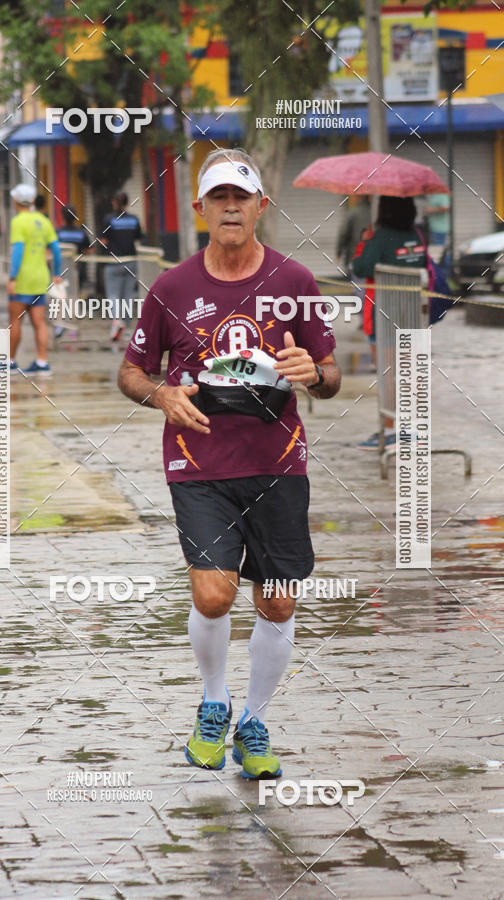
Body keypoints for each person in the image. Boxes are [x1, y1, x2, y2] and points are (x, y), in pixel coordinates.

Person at [118, 149, 341, 779]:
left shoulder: (296, 282)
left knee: (277, 604)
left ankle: (253, 720)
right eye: (218, 197)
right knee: (214, 595)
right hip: (199, 461)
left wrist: (314, 375)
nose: (231, 207)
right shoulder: (172, 288)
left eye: (241, 198)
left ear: (261, 208)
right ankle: (213, 703)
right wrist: (161, 393)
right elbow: (131, 371)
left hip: (278, 463)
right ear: (200, 210)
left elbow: (331, 375)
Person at [351, 194, 427, 450]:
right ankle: (410, 427)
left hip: (383, 315)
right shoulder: (416, 235)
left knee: (389, 374)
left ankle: (392, 430)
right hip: (414, 313)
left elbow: (362, 268)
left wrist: (364, 243)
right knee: (409, 373)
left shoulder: (380, 237)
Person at [6, 183, 62, 375]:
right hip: (41, 279)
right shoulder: (43, 221)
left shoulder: (18, 221)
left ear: (15, 201)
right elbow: (55, 249)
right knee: (40, 322)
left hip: (23, 279)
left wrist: (12, 277)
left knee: (15, 320)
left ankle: (11, 362)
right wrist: (57, 272)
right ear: (31, 201)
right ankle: (42, 361)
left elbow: (18, 251)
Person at [101, 192, 142, 342]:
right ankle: (127, 329)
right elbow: (138, 239)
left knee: (113, 295)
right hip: (131, 261)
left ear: (114, 202)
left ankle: (117, 322)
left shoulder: (109, 219)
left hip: (113, 262)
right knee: (127, 296)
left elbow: (104, 240)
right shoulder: (134, 220)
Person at [335, 195, 371, 276]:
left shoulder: (352, 213)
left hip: (354, 256)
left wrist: (339, 253)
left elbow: (343, 233)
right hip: (371, 257)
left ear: (358, 197)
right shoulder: (373, 212)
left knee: (357, 284)